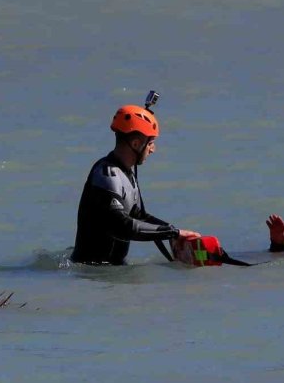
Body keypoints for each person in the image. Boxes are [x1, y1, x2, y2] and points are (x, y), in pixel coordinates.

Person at [71, 100, 200, 265]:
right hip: (92, 275)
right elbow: (121, 226)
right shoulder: (106, 175)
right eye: (151, 143)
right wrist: (172, 233)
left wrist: (178, 234)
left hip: (114, 272)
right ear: (136, 143)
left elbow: (139, 216)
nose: (153, 149)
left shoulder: (127, 173)